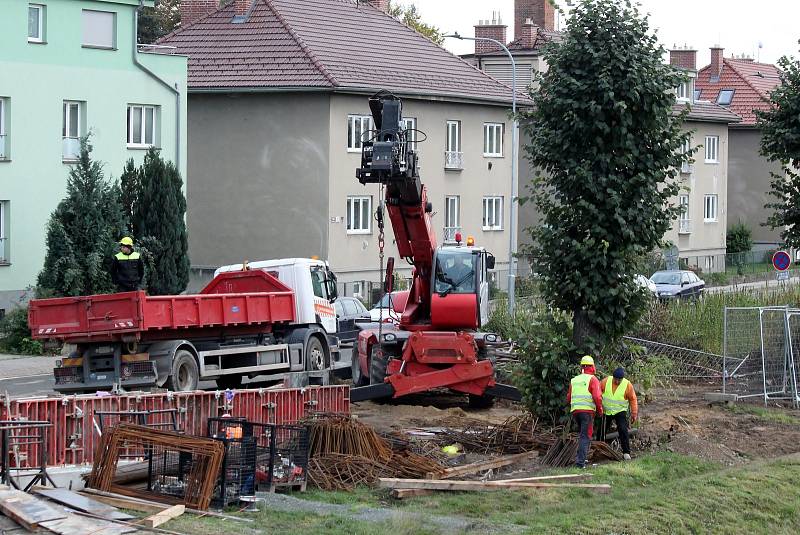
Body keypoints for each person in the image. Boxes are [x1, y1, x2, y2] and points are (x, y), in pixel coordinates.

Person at [566, 355, 603, 468]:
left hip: (576, 411)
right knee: (585, 436)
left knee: (582, 435)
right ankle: (580, 463)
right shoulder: (593, 379)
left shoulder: (574, 380)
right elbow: (597, 397)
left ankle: (582, 458)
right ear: (592, 367)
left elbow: (568, 398)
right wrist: (600, 410)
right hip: (587, 412)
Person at [600, 367, 638, 461]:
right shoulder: (605, 381)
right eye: (615, 379)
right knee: (601, 431)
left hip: (620, 411)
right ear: (613, 377)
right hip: (606, 411)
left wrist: (634, 413)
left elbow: (633, 399)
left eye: (619, 380)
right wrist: (599, 407)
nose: (617, 381)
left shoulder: (627, 385)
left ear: (622, 379)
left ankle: (626, 452)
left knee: (623, 429)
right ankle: (599, 449)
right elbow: (598, 393)